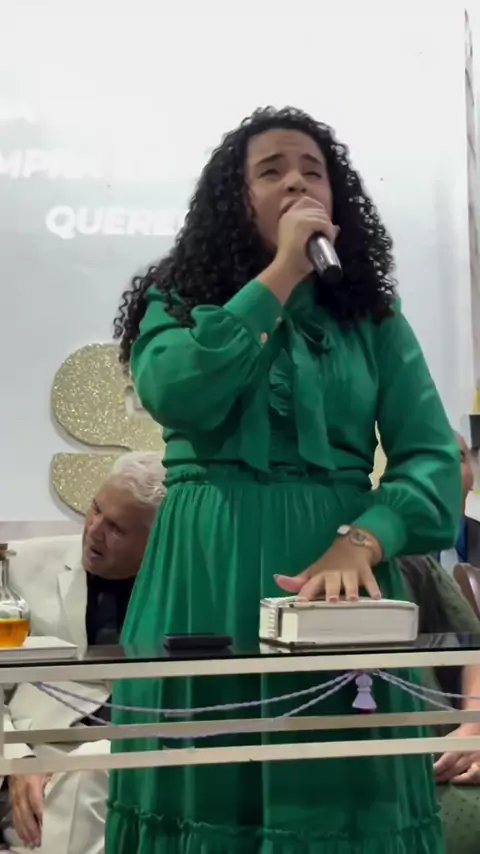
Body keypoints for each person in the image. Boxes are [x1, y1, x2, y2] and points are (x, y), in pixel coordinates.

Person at [107, 106, 461, 854]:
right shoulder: (179, 305)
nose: (297, 182)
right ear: (236, 201)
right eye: (271, 171)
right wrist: (279, 276)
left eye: (313, 170)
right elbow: (177, 392)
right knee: (203, 786)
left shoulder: (373, 319)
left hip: (341, 595)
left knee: (341, 794)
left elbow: (432, 459)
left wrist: (365, 538)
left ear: (336, 198)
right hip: (203, 582)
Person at [1, 452, 165, 854]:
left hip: (131, 761)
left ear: (157, 539)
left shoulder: (181, 587)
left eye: (116, 528)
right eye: (95, 508)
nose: (93, 530)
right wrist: (17, 761)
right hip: (35, 755)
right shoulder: (20, 565)